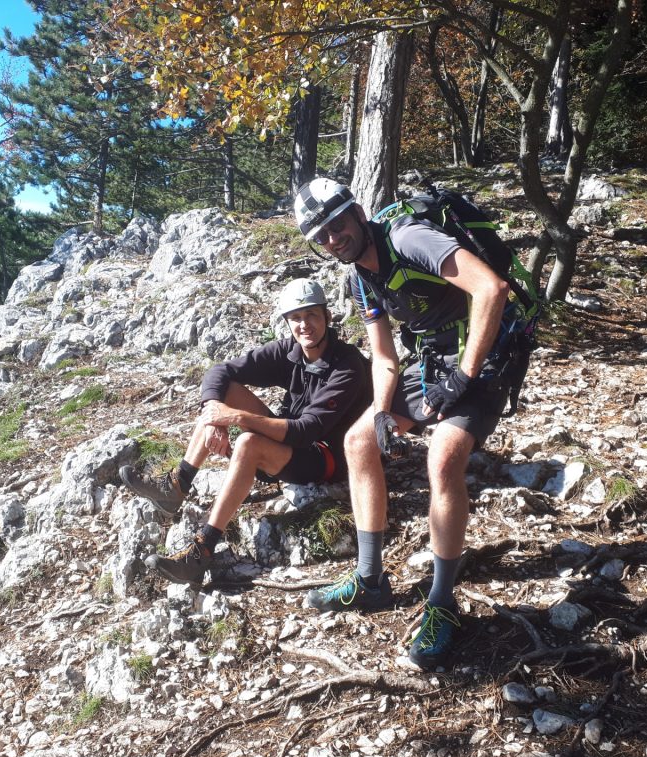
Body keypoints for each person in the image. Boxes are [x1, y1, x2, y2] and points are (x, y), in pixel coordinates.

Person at [294, 178, 512, 670]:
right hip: (434, 361)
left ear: (357, 212)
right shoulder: (358, 277)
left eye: (337, 224)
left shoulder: (409, 238)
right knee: (356, 441)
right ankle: (370, 581)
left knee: (443, 457)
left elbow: (490, 288)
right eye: (320, 235)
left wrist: (463, 377)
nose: (332, 239)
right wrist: (380, 412)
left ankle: (442, 604)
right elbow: (386, 358)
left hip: (486, 353)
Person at [120, 278, 371, 587]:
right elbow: (221, 371)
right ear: (287, 322)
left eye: (312, 316)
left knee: (249, 443)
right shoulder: (289, 352)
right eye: (296, 318)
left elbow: (308, 430)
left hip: (326, 457)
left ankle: (202, 550)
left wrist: (237, 418)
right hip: (289, 442)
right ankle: (178, 483)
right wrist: (215, 414)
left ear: (327, 318)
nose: (304, 325)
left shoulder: (347, 367)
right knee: (225, 393)